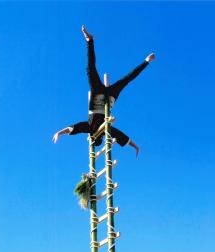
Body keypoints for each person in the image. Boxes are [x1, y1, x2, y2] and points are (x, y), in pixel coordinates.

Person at [52, 26, 156, 158]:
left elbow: (73, 128)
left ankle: (90, 40)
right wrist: (135, 146)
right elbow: (122, 137)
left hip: (100, 98)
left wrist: (59, 133)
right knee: (122, 79)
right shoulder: (105, 129)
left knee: (96, 72)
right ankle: (146, 61)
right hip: (106, 98)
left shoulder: (91, 128)